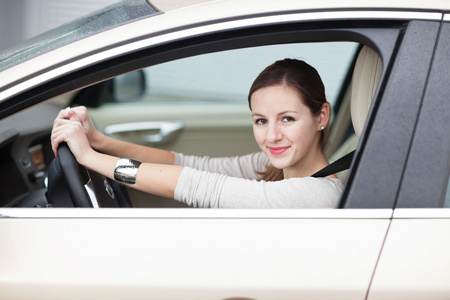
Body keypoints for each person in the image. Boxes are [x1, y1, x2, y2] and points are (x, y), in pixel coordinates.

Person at [51, 59, 343, 208]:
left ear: (322, 116)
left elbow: (193, 183)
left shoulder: (315, 195)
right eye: (261, 121)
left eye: (287, 119)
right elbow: (187, 165)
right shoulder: (272, 167)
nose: (272, 136)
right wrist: (101, 142)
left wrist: (90, 157)